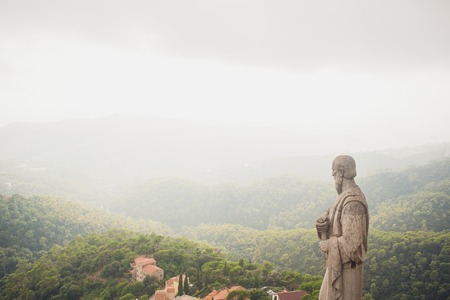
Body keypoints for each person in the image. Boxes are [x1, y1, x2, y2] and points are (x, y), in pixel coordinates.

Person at [315, 155, 369, 300]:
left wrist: (328, 244)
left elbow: (352, 244)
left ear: (341, 171)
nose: (332, 175)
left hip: (347, 272)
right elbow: (334, 221)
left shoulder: (353, 202)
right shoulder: (343, 197)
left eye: (333, 171)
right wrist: (323, 227)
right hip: (337, 266)